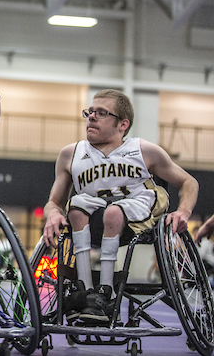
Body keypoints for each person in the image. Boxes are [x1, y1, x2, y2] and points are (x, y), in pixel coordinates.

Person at [42, 89, 199, 324]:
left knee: (114, 212)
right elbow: (54, 202)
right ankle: (86, 290)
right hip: (91, 220)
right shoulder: (70, 154)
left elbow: (189, 182)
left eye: (102, 113)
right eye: (90, 112)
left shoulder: (143, 150)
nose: (92, 117)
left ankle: (107, 291)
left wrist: (184, 211)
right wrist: (52, 215)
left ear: (123, 124)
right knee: (74, 206)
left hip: (137, 212)